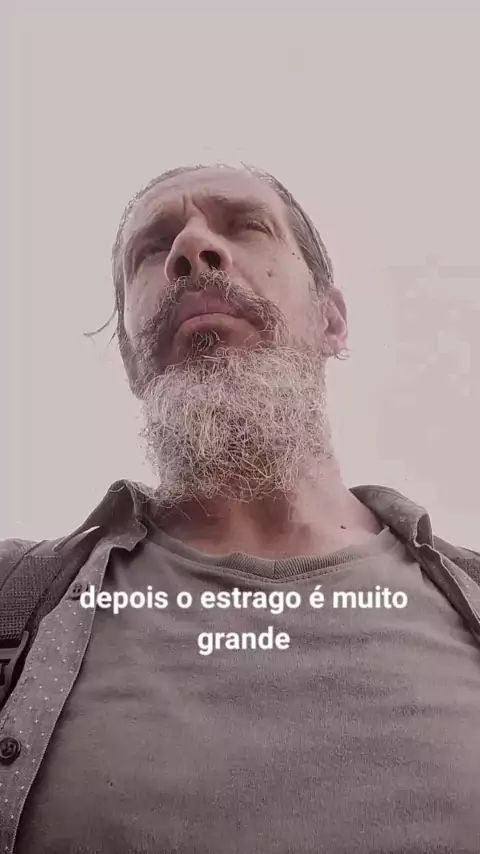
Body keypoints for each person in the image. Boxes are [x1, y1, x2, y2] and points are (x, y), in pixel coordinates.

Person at [2, 163, 480, 853]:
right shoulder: (13, 602)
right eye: (151, 248)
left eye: (246, 226)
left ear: (332, 319)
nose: (192, 249)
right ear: (130, 359)